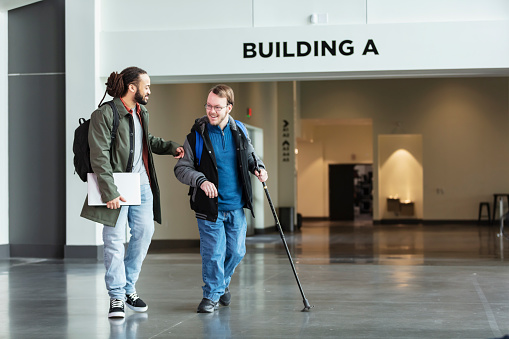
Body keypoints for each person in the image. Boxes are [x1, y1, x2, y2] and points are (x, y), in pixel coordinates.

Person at [80, 66, 184, 319]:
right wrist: (109, 192)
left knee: (145, 231)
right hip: (116, 186)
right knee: (114, 240)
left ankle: (128, 288)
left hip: (141, 184)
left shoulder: (141, 112)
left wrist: (171, 148)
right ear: (132, 87)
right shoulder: (104, 114)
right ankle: (116, 296)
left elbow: (144, 140)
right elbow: (99, 156)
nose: (150, 90)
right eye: (146, 86)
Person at [174, 84, 268, 313]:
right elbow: (181, 169)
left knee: (237, 251)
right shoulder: (196, 135)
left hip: (236, 206)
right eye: (208, 106)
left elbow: (252, 157)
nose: (211, 111)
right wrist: (201, 180)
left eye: (217, 107)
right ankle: (211, 295)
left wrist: (259, 168)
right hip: (209, 208)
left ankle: (221, 285)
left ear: (229, 108)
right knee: (213, 253)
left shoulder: (241, 131)